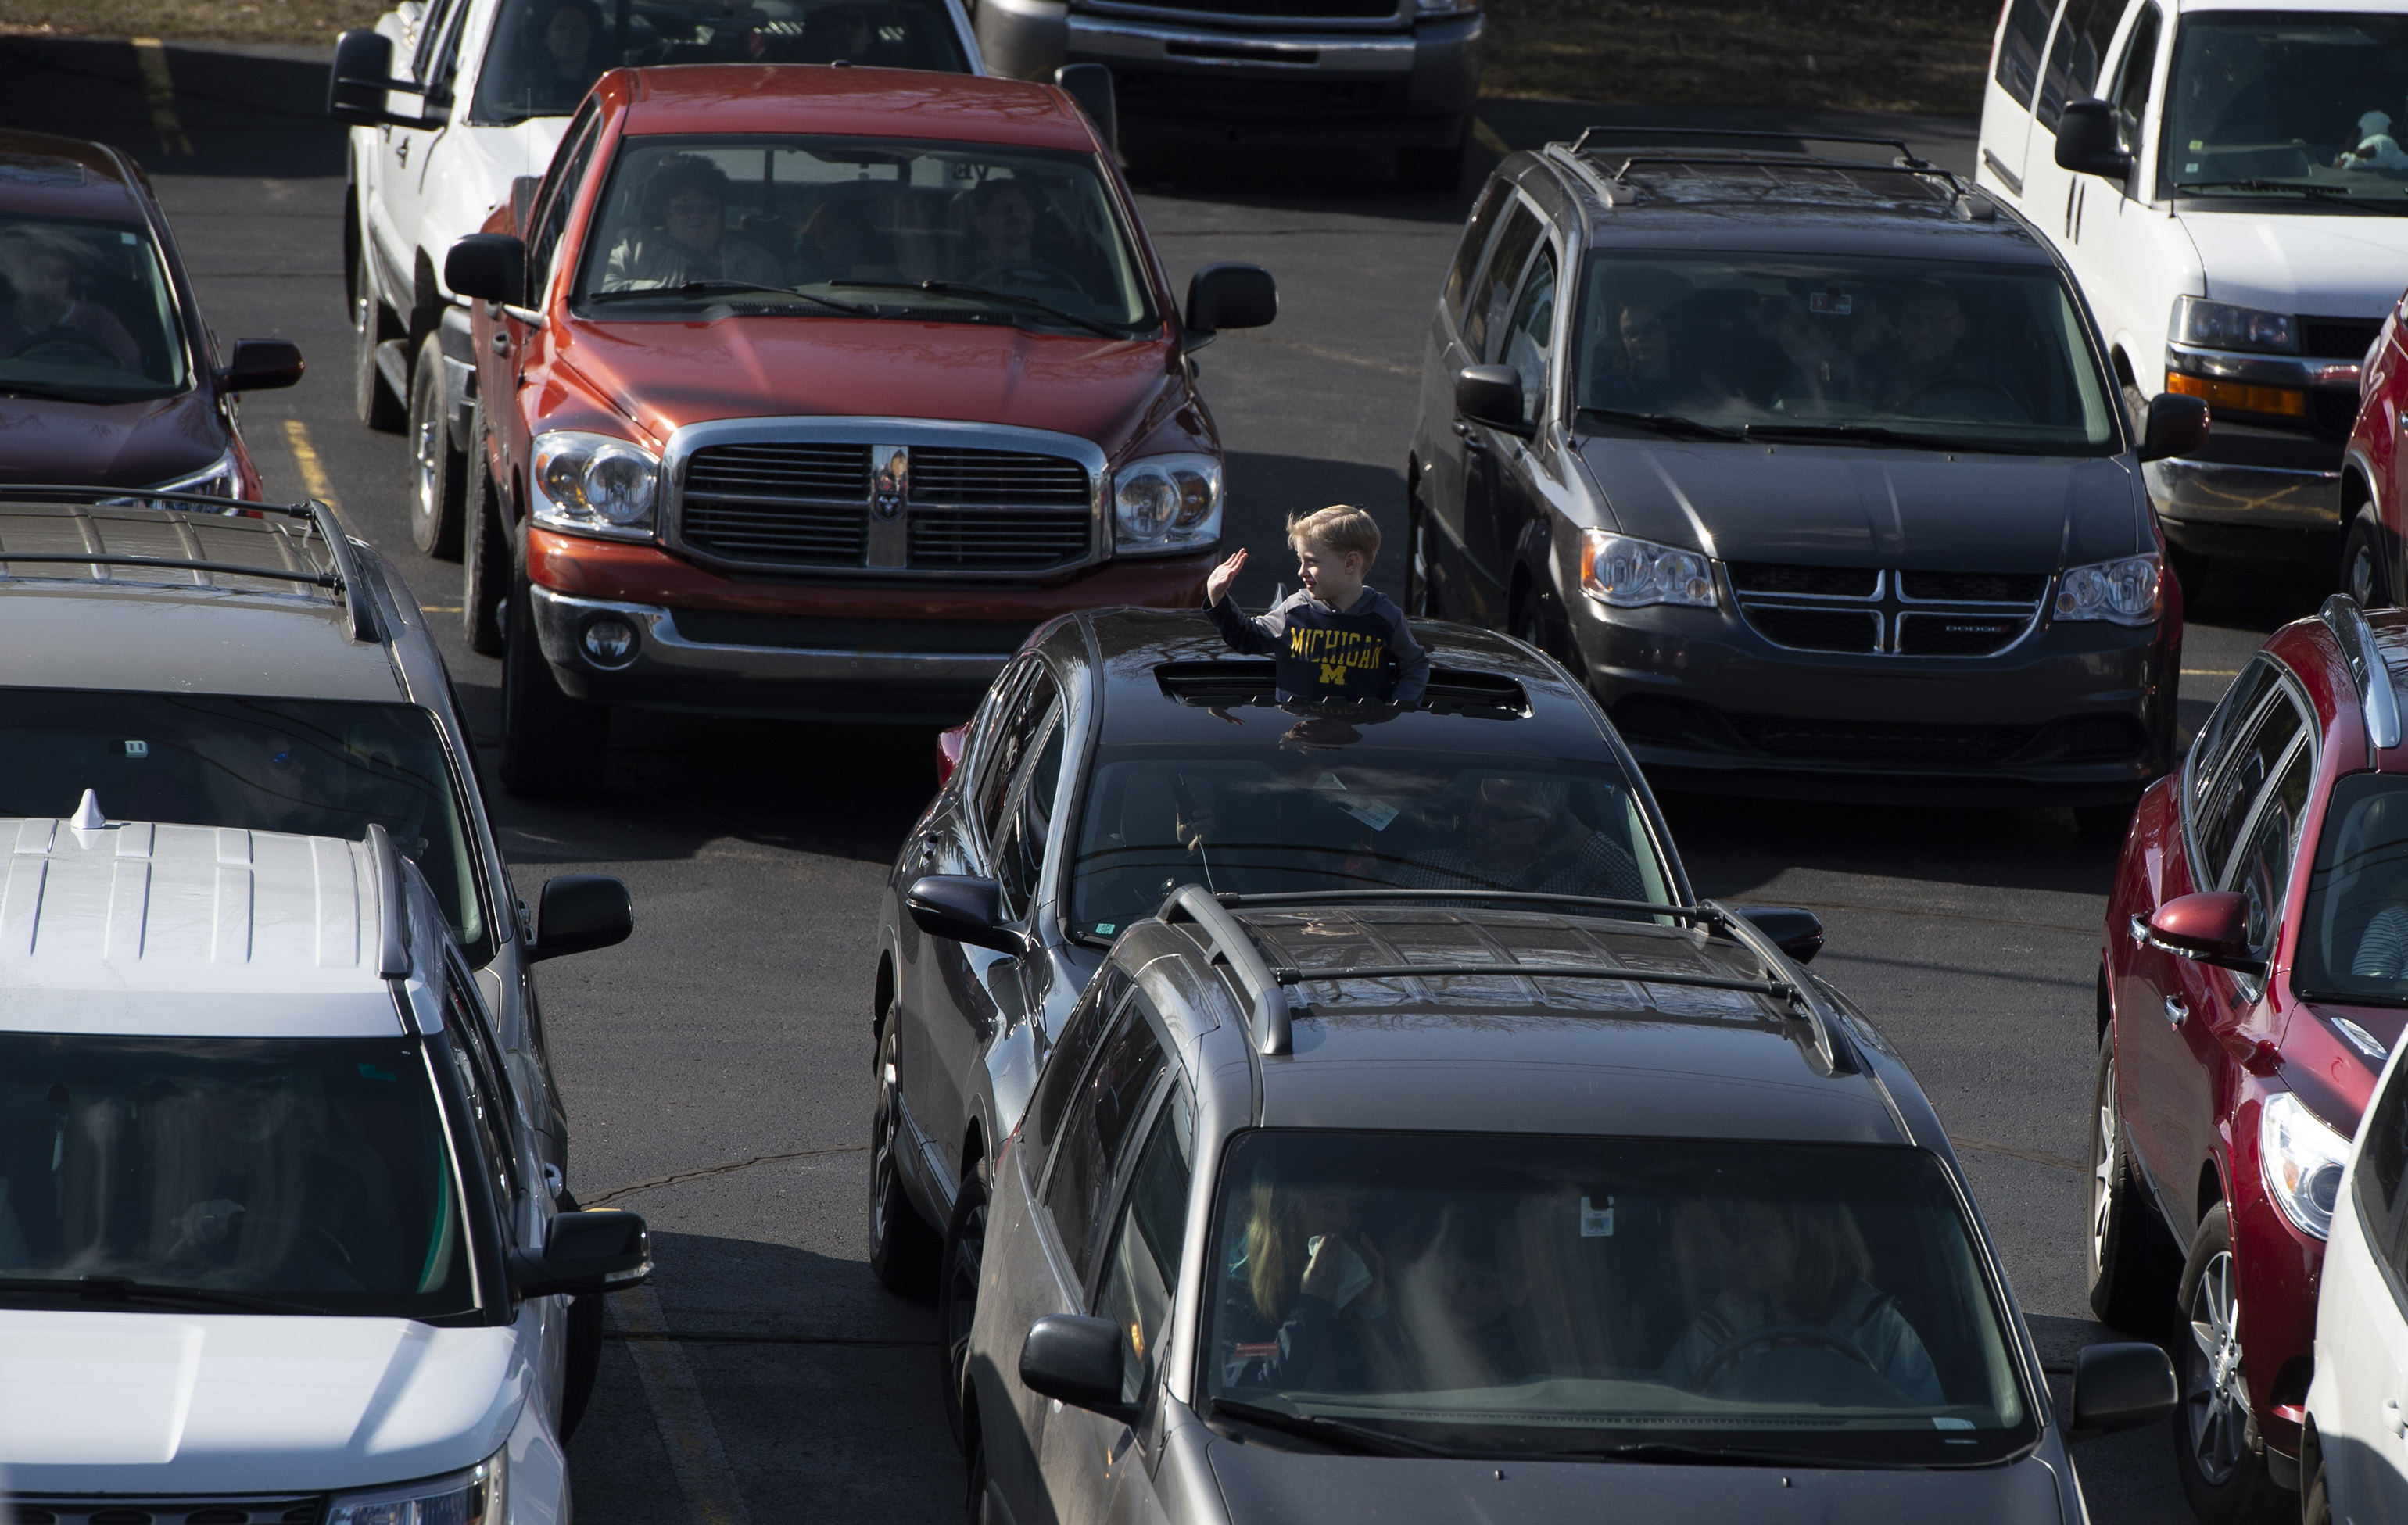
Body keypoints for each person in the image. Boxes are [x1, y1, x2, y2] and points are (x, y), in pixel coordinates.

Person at [1660, 1195, 1943, 1405]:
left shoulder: (1879, 1329)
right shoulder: (1721, 1323)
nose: (1746, 1247)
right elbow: (1668, 1405)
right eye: (1743, 1232)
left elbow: (1925, 1425)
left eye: (1764, 1232)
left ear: (1810, 1238)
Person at [1203, 505, 1430, 706]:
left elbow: (1415, 666)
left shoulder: (1385, 617)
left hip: (1359, 745)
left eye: (1311, 561)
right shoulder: (1294, 609)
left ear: (1350, 563)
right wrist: (1218, 596)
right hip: (1298, 740)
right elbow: (1246, 636)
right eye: (1301, 560)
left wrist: (1399, 709)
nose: (1301, 571)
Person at [1217, 1170, 1390, 1391]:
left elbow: (1391, 1387)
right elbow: (1254, 1388)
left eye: (1350, 1206)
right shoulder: (1231, 1294)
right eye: (1330, 1205)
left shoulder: (1338, 1282)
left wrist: (1372, 1309)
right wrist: (1313, 1303)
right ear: (1286, 1211)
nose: (1345, 1221)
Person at [1403, 776, 1644, 902]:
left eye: (1495, 815)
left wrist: (1581, 839)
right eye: (1475, 808)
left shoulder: (1577, 892)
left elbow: (1656, 914)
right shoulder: (1425, 871)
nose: (1476, 822)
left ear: (1538, 830)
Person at [604, 156, 783, 291]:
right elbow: (601, 286)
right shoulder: (634, 248)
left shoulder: (757, 263)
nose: (696, 216)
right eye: (683, 209)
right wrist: (661, 293)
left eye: (707, 208)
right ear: (667, 213)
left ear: (721, 213)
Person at [0, 228, 138, 367]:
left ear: (70, 280)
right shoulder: (3, 323)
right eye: (35, 273)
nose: (45, 284)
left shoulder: (100, 325)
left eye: (57, 274)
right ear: (17, 275)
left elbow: (133, 377)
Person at [518, 0, 606, 115]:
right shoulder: (530, 81)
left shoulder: (604, 81)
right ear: (546, 36)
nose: (569, 35)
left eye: (578, 28)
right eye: (561, 27)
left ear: (591, 36)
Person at [801, 3, 874, 63]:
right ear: (823, 33)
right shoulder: (801, 70)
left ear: (870, 35)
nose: (846, 28)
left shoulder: (884, 73)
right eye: (837, 22)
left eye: (856, 22)